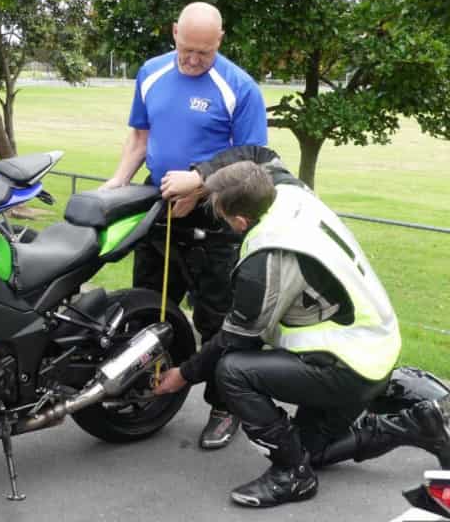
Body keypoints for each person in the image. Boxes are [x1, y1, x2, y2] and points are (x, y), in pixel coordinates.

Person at [153, 145, 450, 507]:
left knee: (232, 371)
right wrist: (199, 180)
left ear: (240, 222)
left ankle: (292, 476)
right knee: (313, 451)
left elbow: (235, 340)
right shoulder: (286, 191)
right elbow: (259, 154)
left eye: (220, 213)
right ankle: (416, 423)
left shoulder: (266, 259)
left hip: (347, 365)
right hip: (374, 344)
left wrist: (183, 374)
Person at [103, 2, 268, 449]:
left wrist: (199, 184)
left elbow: (252, 159)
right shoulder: (151, 72)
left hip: (214, 215)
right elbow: (140, 137)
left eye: (204, 53)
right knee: (148, 305)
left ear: (220, 41)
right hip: (158, 204)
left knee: (215, 318)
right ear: (174, 32)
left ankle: (225, 406)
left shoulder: (239, 87)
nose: (193, 60)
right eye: (187, 49)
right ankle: (146, 390)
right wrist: (118, 181)